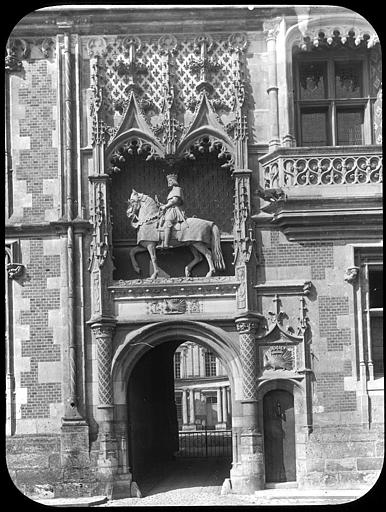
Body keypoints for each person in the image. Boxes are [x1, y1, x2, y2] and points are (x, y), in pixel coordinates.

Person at [157, 172, 186, 249]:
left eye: (170, 181)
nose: (168, 183)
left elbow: (175, 201)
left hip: (175, 210)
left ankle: (166, 243)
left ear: (174, 181)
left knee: (167, 222)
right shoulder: (171, 191)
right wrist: (162, 205)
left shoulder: (177, 189)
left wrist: (165, 206)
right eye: (168, 181)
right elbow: (170, 202)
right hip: (169, 209)